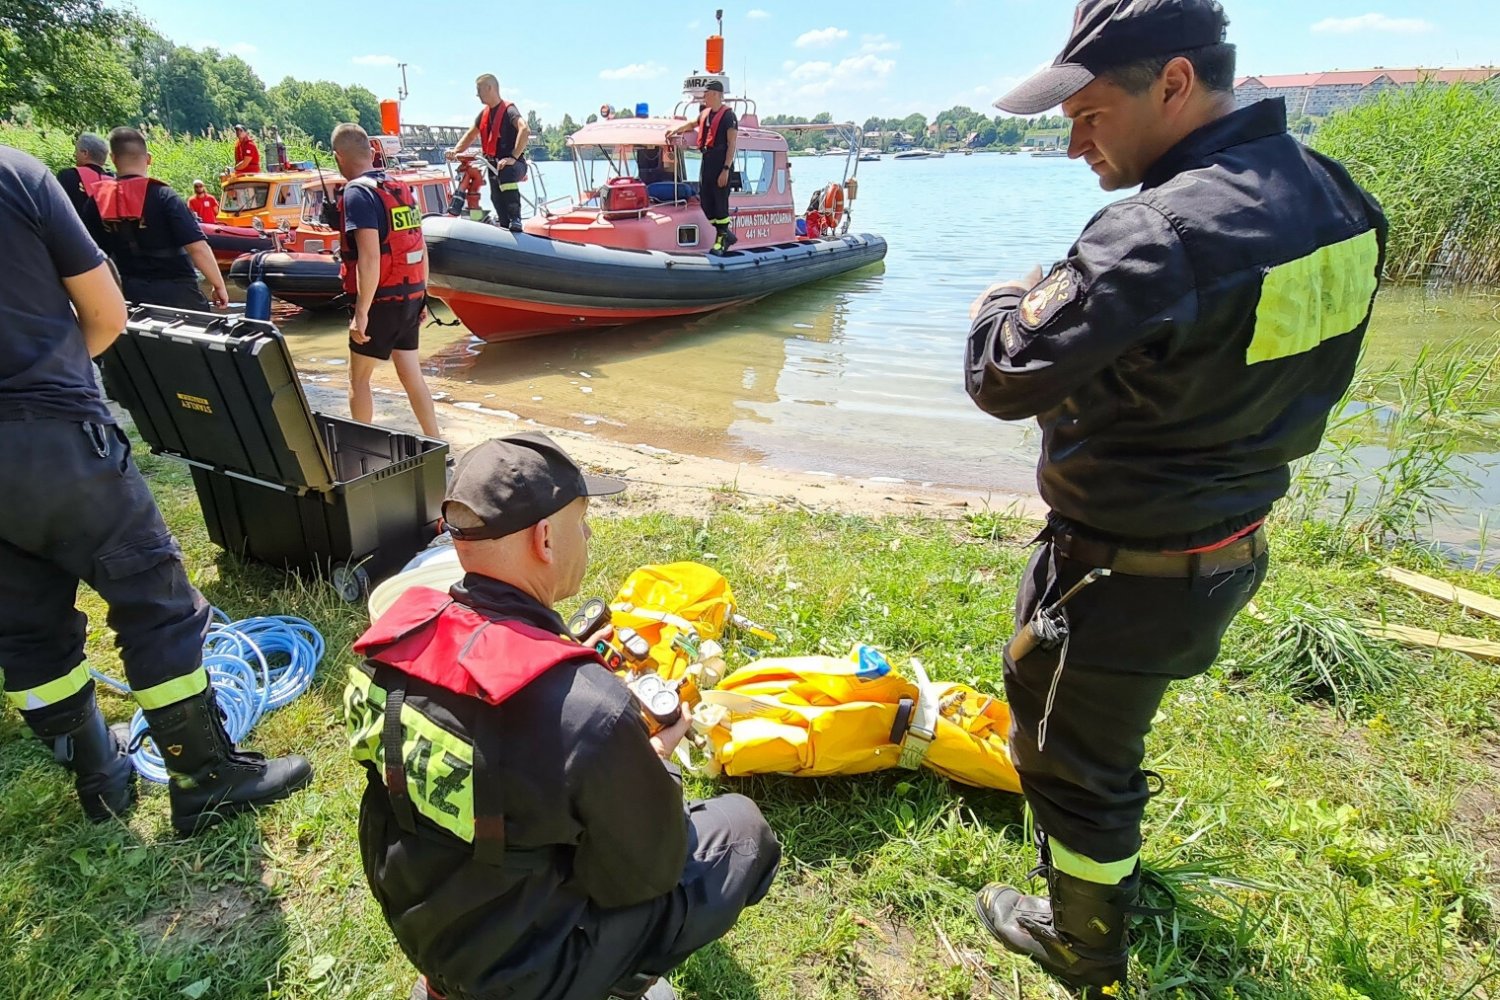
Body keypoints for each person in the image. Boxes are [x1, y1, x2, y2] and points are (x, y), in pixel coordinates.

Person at [963, 0, 1387, 994]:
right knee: (1105, 727)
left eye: (1091, 113)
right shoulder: (1337, 197)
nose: (1075, 143)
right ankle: (1105, 870)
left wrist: (999, 299)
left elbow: (1002, 375)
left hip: (1122, 563)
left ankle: (1082, 939)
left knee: (1073, 755)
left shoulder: (1154, 233)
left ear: (1175, 84)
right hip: (1228, 538)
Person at [346, 432, 780, 1000]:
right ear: (545, 538)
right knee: (741, 832)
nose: (590, 534)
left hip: (421, 918)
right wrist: (653, 766)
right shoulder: (589, 712)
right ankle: (622, 981)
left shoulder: (391, 642)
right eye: (583, 520)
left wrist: (560, 658)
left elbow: (483, 726)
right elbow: (645, 874)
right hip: (526, 968)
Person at [0, 144, 313, 834]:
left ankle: (99, 780)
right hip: (53, 436)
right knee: (157, 605)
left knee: (23, 628)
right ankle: (205, 779)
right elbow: (106, 313)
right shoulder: (17, 175)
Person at [332, 123, 441, 440]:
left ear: (339, 156)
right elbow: (419, 245)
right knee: (410, 373)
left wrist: (361, 313)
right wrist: (422, 297)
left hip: (381, 299)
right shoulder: (398, 186)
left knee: (359, 378)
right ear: (371, 152)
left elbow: (369, 257)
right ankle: (437, 443)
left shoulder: (357, 193)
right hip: (409, 294)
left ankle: (361, 449)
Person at [81, 127, 229, 311]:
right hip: (177, 294)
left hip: (127, 295)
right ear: (148, 158)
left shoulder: (96, 202)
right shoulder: (164, 196)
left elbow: (89, 254)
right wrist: (218, 285)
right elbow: (197, 248)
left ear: (113, 158)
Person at [445, 74, 531, 232]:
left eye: (479, 90)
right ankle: (507, 229)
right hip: (493, 167)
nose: (477, 94)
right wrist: (455, 151)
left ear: (489, 88)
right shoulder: (483, 115)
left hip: (513, 166)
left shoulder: (509, 110)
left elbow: (524, 129)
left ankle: (516, 219)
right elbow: (471, 135)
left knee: (506, 172)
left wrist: (513, 157)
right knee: (496, 198)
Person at [665, 81, 737, 254]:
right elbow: (691, 124)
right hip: (707, 159)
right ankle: (726, 233)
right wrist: (675, 130)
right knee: (705, 200)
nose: (704, 97)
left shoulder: (728, 116)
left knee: (720, 202)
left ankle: (721, 239)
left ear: (715, 94)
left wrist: (726, 170)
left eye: (707, 94)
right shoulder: (705, 114)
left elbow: (732, 143)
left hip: (721, 161)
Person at [55, 132, 113, 220]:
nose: (75, 155)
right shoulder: (114, 182)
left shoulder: (67, 176)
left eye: (76, 151)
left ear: (85, 153)